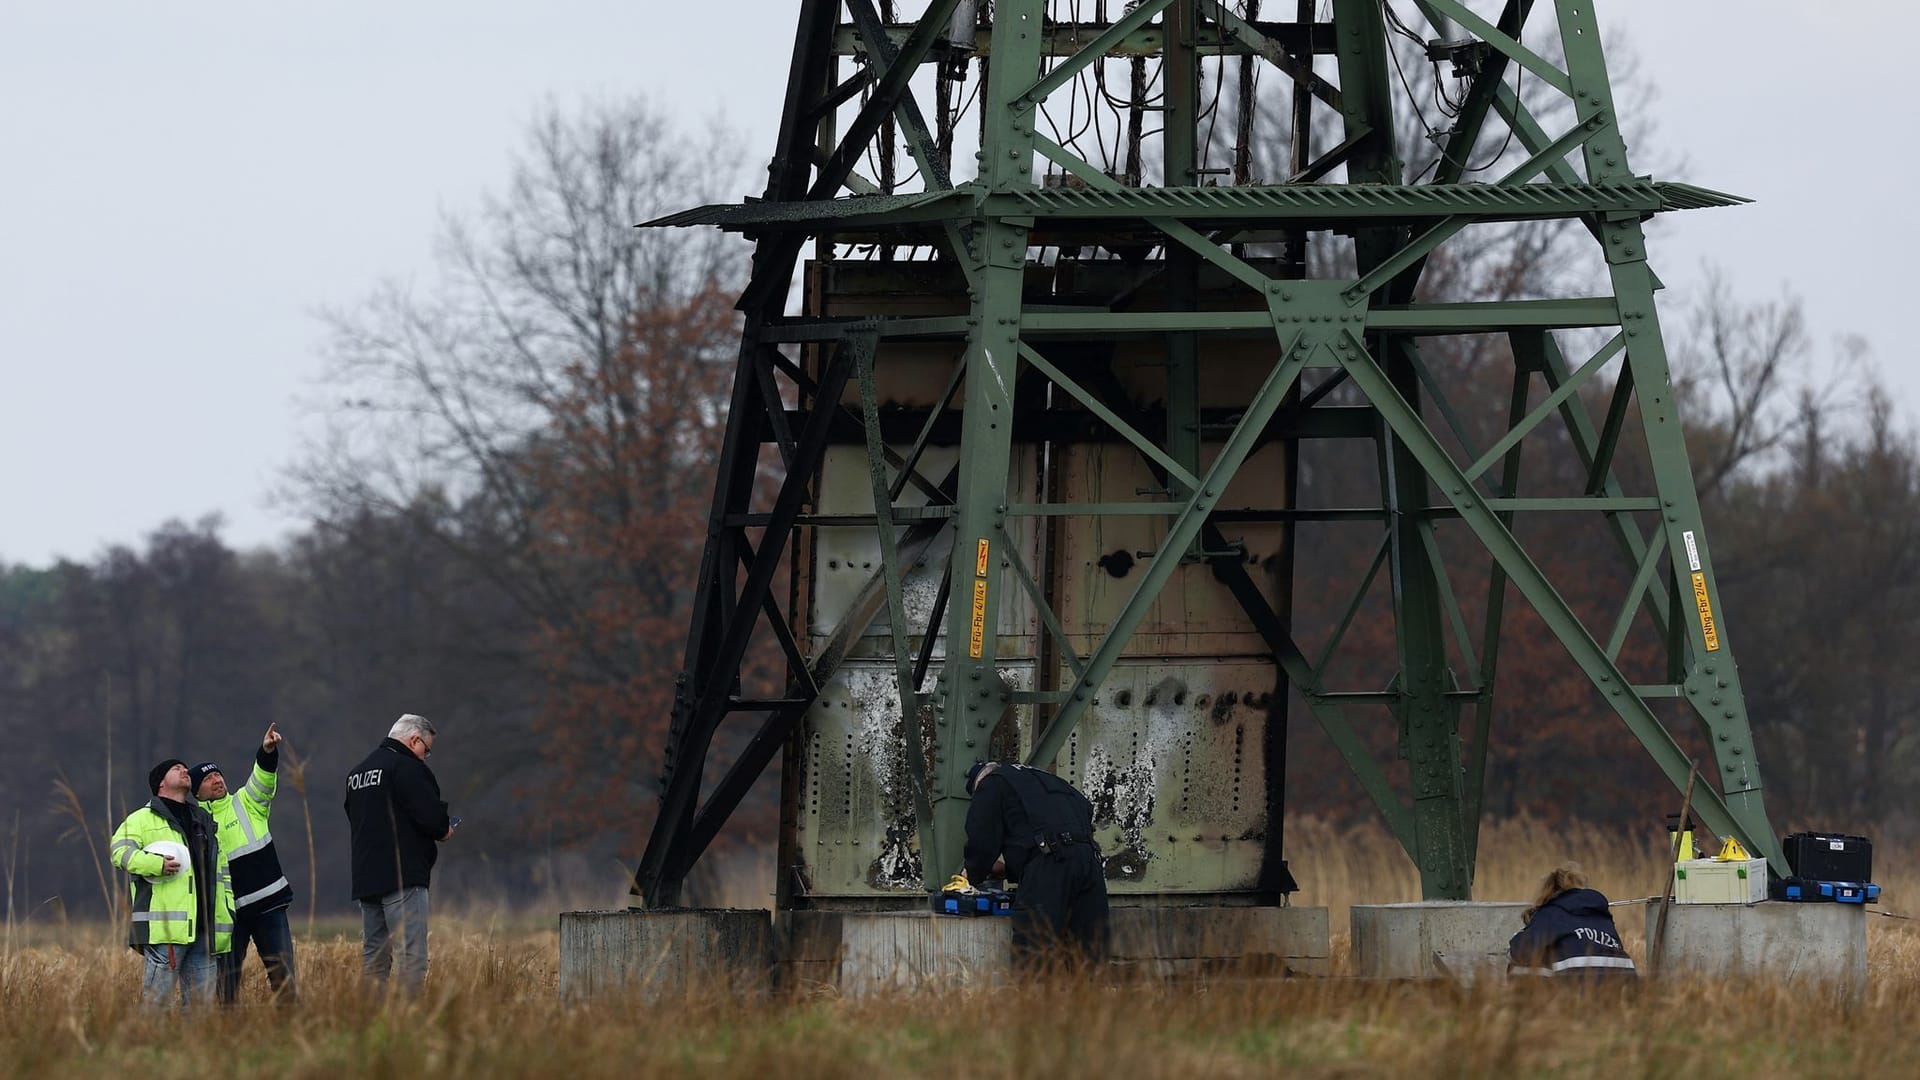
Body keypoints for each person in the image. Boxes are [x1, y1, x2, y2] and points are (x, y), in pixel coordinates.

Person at [107, 759, 235, 1010]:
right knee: (156, 1007)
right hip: (166, 930)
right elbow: (118, 851)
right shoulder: (141, 819)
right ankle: (147, 1047)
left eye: (185, 767)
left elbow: (220, 873)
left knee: (201, 1012)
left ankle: (193, 1050)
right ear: (161, 783)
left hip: (205, 930)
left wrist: (227, 914)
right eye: (177, 768)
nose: (185, 771)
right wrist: (155, 865)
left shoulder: (203, 818)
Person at [345, 713, 455, 992]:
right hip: (403, 876)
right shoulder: (406, 767)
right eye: (426, 750)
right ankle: (408, 1023)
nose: (424, 757)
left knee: (374, 960)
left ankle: (371, 1021)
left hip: (367, 879)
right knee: (411, 957)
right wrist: (445, 829)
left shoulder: (357, 774)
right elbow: (431, 818)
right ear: (414, 739)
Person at [962, 760, 1109, 967]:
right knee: (1089, 955)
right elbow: (1078, 813)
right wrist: (1010, 869)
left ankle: (1036, 999)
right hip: (1089, 861)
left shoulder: (991, 783)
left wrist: (973, 872)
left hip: (1049, 866)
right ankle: (1089, 999)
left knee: (1035, 956)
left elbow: (982, 838)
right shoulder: (1049, 781)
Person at [191, 721, 297, 1004]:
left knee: (284, 978)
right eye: (207, 779)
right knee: (225, 987)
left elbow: (263, 779)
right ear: (197, 793)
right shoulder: (194, 822)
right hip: (227, 915)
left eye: (218, 774)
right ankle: (226, 1033)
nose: (216, 780)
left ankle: (294, 1030)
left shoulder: (246, 802)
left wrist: (266, 751)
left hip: (268, 906)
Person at [1507, 863, 1638, 979]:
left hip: (1580, 987)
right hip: (1625, 983)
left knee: (1520, 966)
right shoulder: (1603, 916)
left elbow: (1522, 949)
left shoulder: (1551, 912)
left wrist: (1517, 936)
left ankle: (1526, 1005)